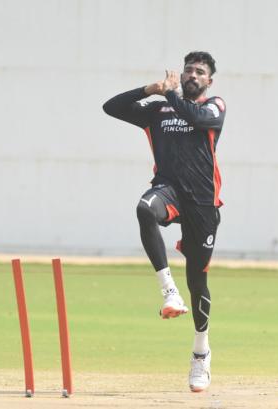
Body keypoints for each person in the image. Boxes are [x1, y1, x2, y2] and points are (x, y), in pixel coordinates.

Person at [102, 51, 225, 392]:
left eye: (199, 72)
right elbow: (111, 107)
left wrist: (170, 93)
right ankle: (168, 292)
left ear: (209, 81)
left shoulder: (214, 105)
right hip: (168, 189)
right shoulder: (159, 109)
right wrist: (149, 89)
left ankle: (201, 350)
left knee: (197, 281)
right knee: (144, 209)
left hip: (202, 202)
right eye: (188, 70)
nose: (192, 75)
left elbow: (198, 118)